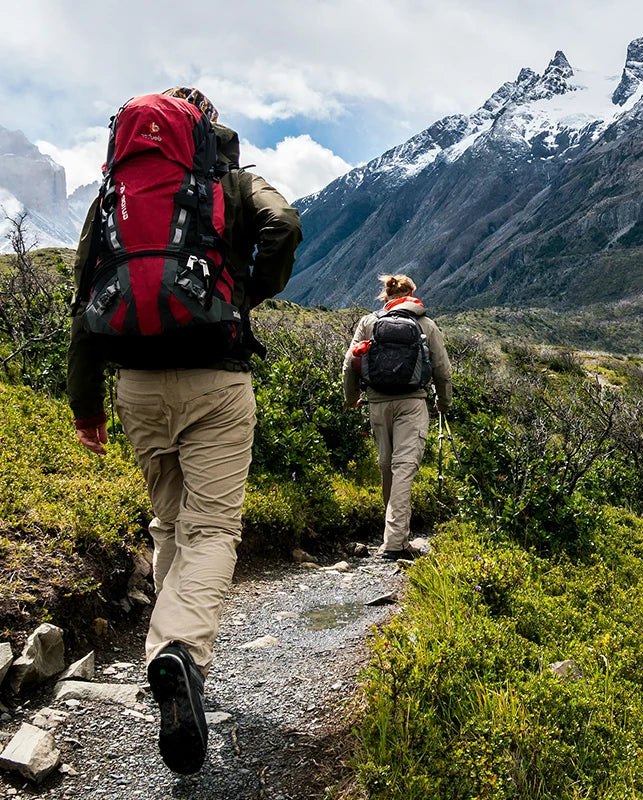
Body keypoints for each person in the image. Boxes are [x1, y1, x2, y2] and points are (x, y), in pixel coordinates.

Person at [66, 87, 302, 775]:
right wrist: (249, 291)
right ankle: (181, 654)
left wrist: (87, 408)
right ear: (205, 130)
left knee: (168, 524)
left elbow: (85, 298)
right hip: (216, 378)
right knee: (213, 530)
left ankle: (171, 657)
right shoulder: (229, 181)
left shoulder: (115, 195)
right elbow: (283, 225)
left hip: (136, 385)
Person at [342, 274, 452, 560]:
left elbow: (349, 363)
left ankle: (393, 536)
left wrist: (351, 398)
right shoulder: (426, 324)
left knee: (387, 467)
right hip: (412, 403)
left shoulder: (369, 322)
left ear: (386, 295)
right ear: (412, 294)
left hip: (377, 403)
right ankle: (394, 544)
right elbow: (442, 369)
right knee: (404, 468)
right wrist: (443, 402)